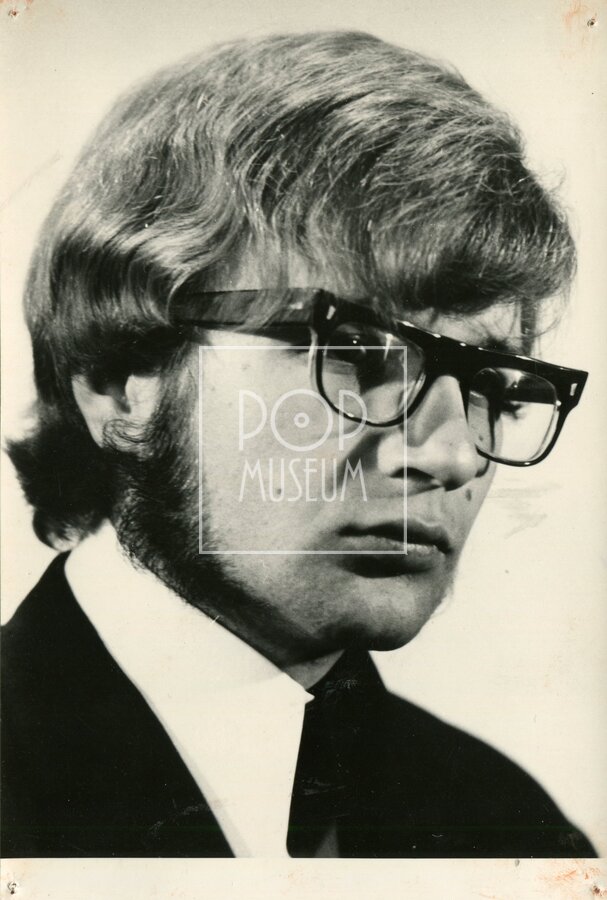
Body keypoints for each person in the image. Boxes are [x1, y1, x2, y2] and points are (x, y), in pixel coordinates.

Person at [1, 31, 595, 859]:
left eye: (491, 389)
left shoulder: (510, 830)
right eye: (353, 356)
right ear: (121, 382)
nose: (450, 456)